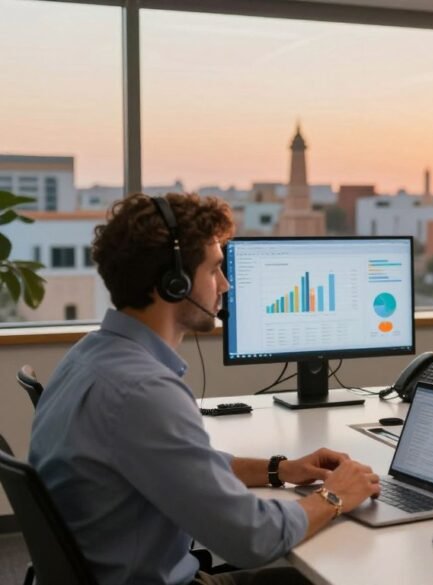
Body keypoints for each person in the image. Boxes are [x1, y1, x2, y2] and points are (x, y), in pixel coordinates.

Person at [29, 193, 382, 585]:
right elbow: (255, 539)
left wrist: (280, 470)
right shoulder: (143, 392)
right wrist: (335, 496)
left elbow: (188, 464)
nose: (226, 284)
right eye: (214, 269)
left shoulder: (89, 357)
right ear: (173, 281)